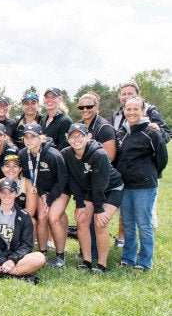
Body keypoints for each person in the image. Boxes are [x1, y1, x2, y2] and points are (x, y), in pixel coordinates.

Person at [109, 82, 171, 246]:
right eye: (123, 94)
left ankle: (145, 256)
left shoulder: (151, 116)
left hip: (145, 180)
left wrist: (151, 171)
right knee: (127, 218)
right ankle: (127, 251)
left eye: (131, 93)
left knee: (145, 220)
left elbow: (162, 153)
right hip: (125, 180)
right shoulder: (117, 118)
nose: (127, 97)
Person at [115, 96, 168, 271]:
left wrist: (150, 174)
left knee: (144, 224)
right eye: (128, 109)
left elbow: (162, 158)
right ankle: (128, 257)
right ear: (124, 111)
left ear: (143, 111)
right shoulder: (121, 133)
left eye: (135, 109)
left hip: (144, 186)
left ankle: (144, 261)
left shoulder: (151, 132)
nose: (131, 113)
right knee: (128, 223)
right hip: (125, 186)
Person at [62, 123, 123, 272]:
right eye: (72, 136)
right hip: (89, 189)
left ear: (88, 137)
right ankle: (87, 260)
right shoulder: (66, 154)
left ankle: (101, 264)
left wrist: (100, 209)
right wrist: (80, 204)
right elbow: (72, 180)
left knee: (100, 223)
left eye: (80, 136)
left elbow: (100, 185)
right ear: (68, 140)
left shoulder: (99, 154)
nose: (76, 139)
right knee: (82, 220)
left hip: (110, 188)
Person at [0, 179, 45, 284]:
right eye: (3, 192)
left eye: (10, 192)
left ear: (16, 193)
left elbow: (27, 244)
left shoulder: (24, 216)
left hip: (17, 257)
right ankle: (15, 276)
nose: (7, 195)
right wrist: (3, 262)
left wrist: (12, 260)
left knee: (39, 258)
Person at [18, 123, 69, 267]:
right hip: (41, 191)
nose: (29, 140)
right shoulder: (23, 154)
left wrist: (51, 197)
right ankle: (42, 253)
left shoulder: (53, 154)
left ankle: (60, 256)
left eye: (33, 137)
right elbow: (30, 179)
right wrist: (42, 195)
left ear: (41, 137)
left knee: (53, 218)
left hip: (60, 190)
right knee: (41, 217)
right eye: (26, 137)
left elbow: (63, 179)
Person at [0, 155, 36, 220]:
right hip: (2, 217)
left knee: (32, 221)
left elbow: (30, 211)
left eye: (15, 166)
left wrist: (11, 216)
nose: (11, 170)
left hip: (21, 218)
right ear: (2, 169)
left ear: (20, 169)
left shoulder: (28, 184)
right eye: (7, 166)